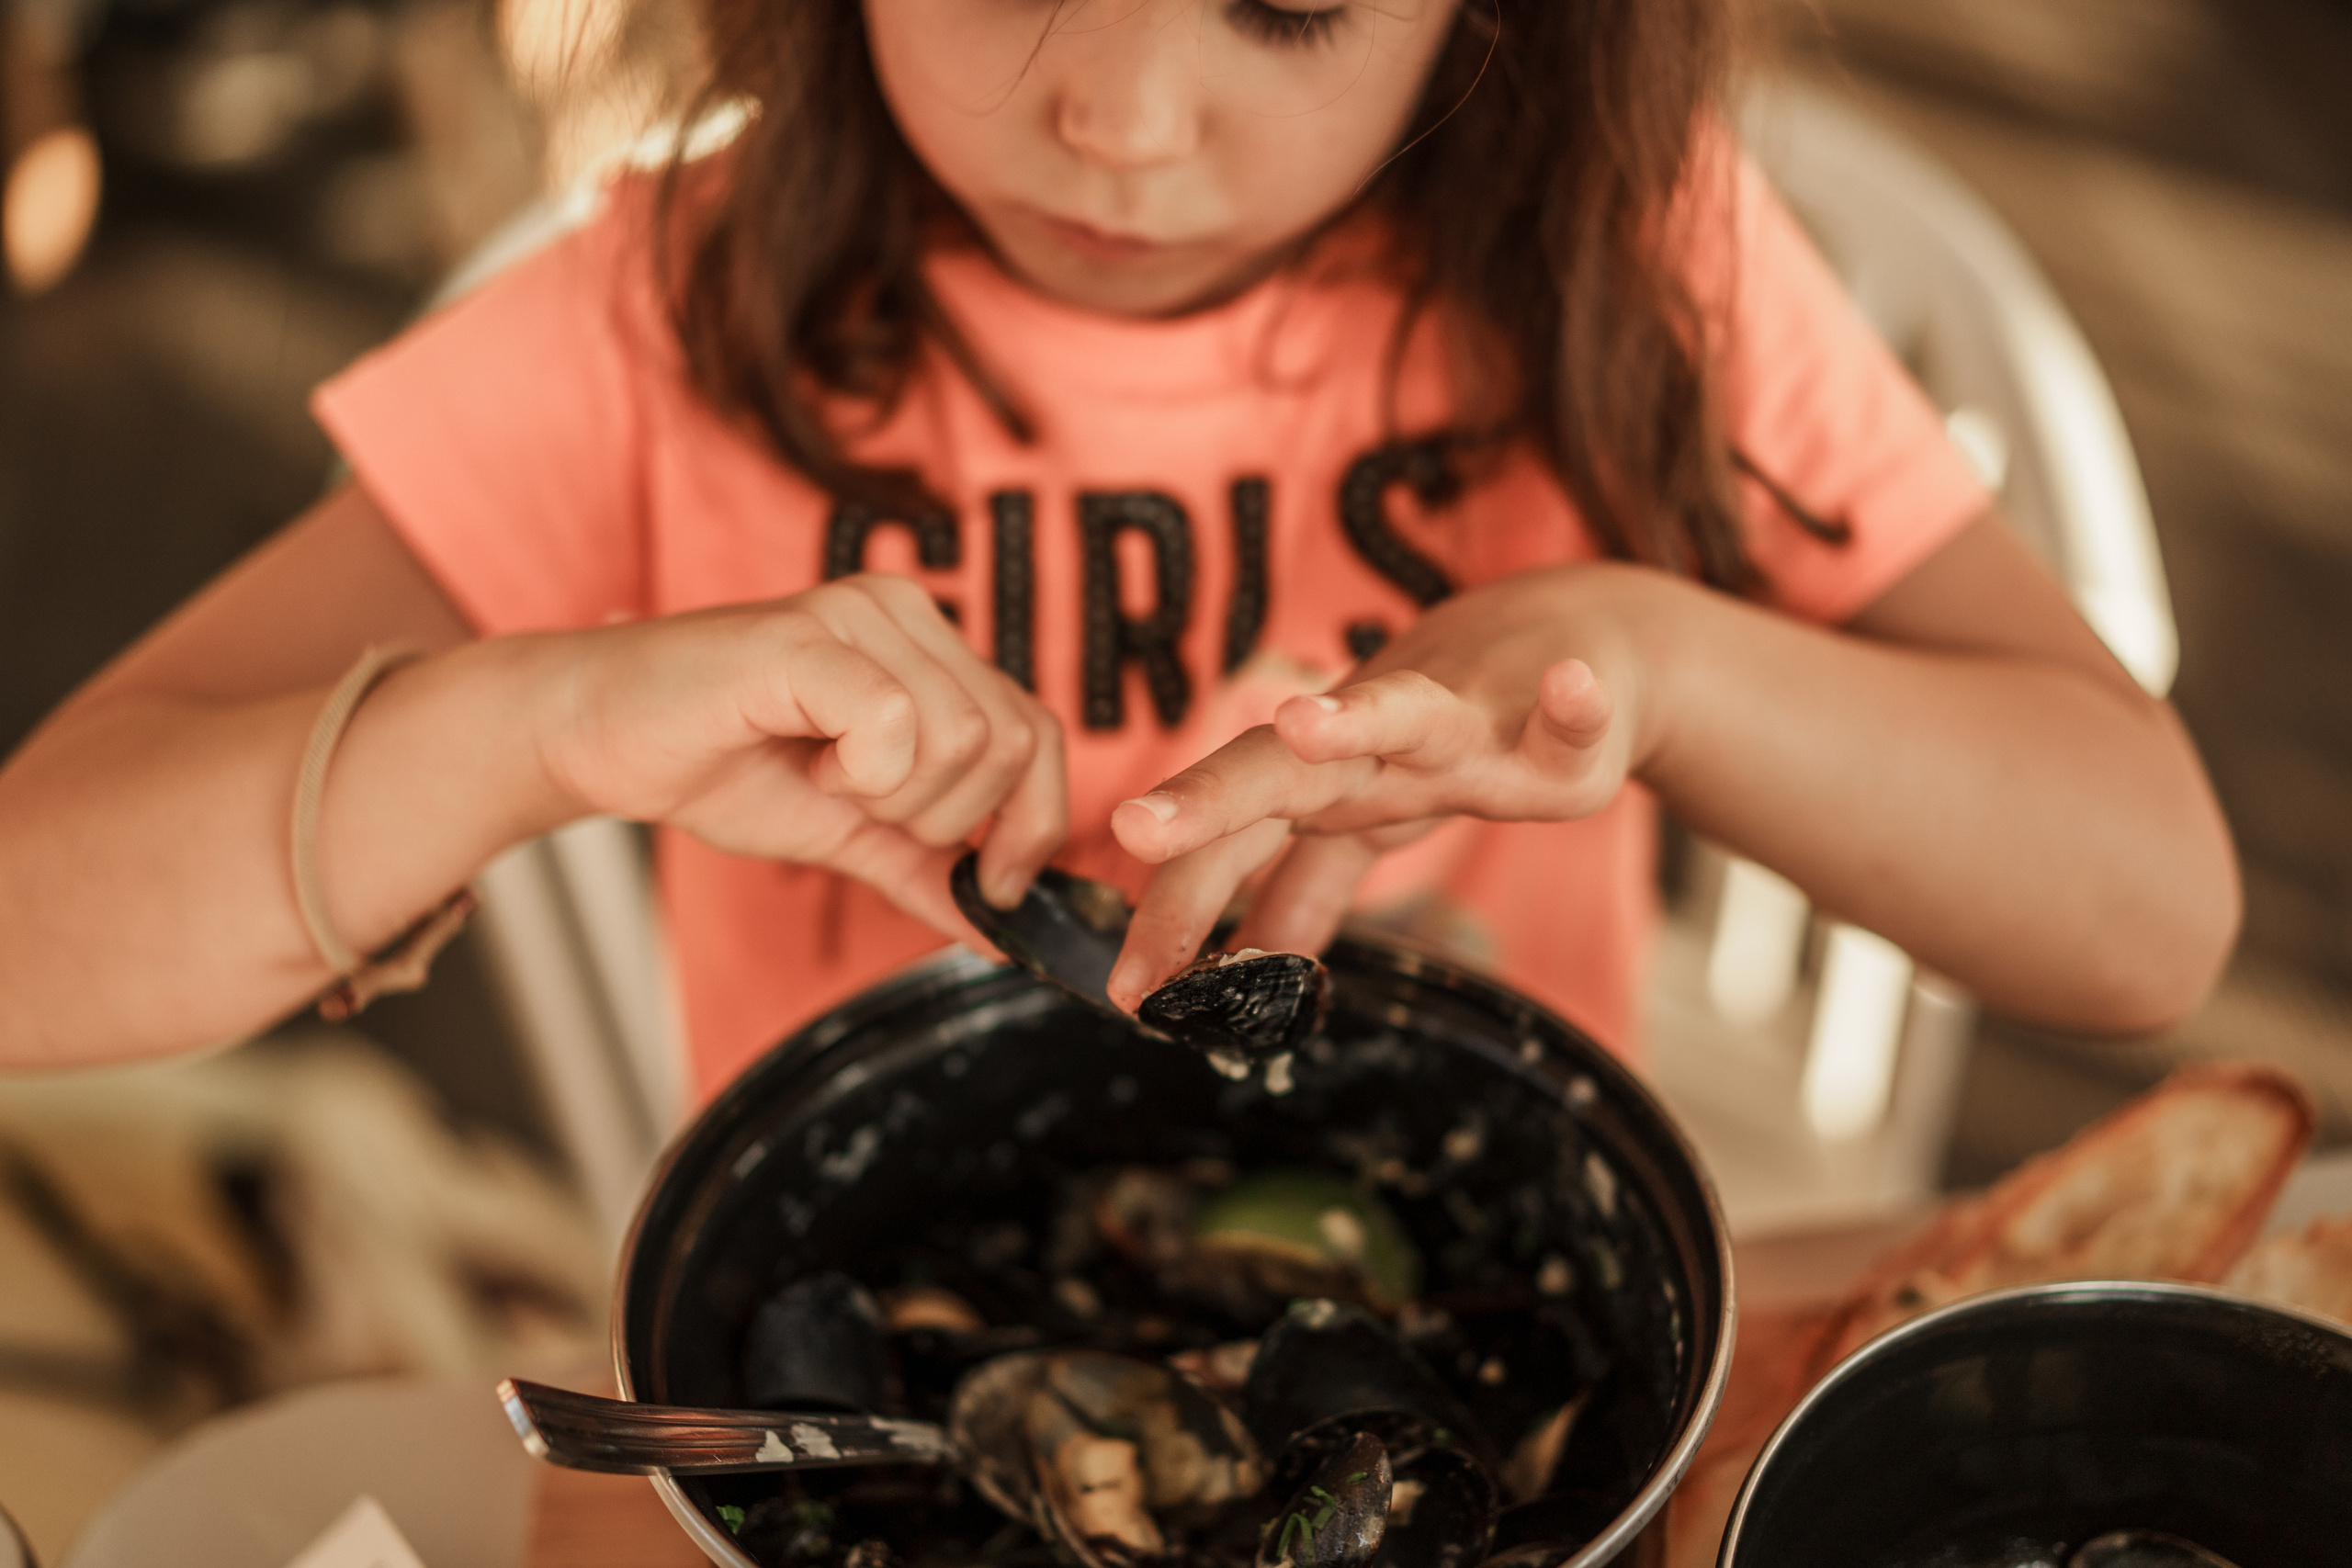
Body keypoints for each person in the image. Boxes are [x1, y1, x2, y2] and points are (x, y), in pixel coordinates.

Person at [0, 0, 2237, 1092]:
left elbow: (2146, 912)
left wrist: (1651, 660)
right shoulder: (652, 332)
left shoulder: (1634, 268)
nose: (1125, 121)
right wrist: (540, 723)